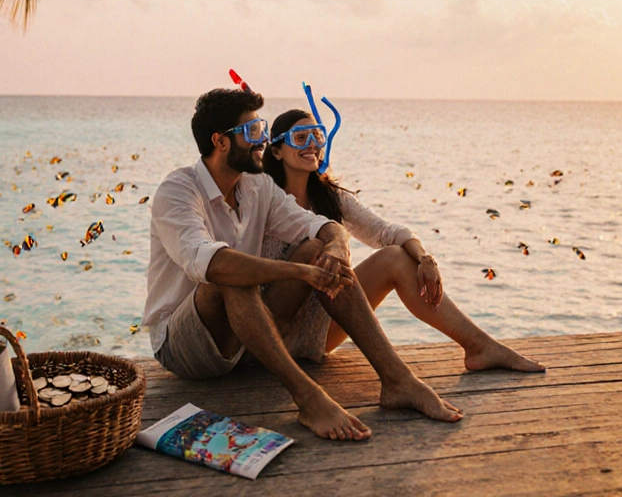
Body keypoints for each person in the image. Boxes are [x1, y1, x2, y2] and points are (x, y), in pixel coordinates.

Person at [143, 87, 463, 441]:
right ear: (219, 141)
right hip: (185, 346)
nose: (262, 140)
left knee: (315, 247)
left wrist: (337, 249)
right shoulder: (178, 189)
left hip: (245, 341)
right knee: (231, 275)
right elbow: (210, 263)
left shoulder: (257, 186)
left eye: (263, 128)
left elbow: (319, 225)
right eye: (252, 132)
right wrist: (299, 272)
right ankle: (309, 398)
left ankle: (397, 379)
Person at [262, 108, 544, 372]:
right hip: (271, 332)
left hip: (319, 332)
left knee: (396, 257)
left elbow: (388, 232)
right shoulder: (263, 200)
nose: (312, 144)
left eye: (317, 136)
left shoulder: (330, 198)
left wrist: (425, 259)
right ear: (276, 150)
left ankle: (479, 346)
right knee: (312, 248)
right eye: (301, 138)